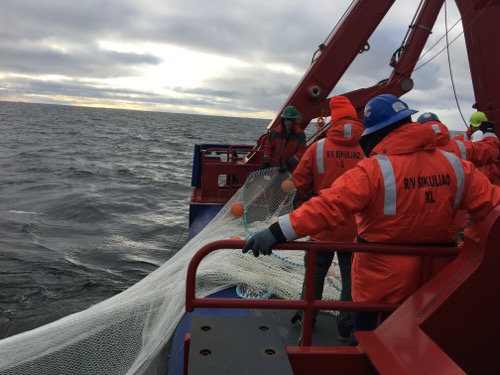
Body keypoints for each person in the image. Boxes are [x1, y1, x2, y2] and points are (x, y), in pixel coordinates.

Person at [242, 94, 500, 341]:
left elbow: (329, 205)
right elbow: (493, 207)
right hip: (438, 285)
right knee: (427, 345)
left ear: (375, 132)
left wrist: (276, 232)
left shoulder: (374, 169)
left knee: (369, 344)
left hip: (381, 289)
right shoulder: (456, 165)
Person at [290, 96, 363, 341]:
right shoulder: (363, 150)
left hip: (321, 223)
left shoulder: (318, 147)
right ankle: (345, 327)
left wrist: (310, 201)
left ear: (333, 119)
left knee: (315, 275)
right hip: (352, 228)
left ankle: (307, 320)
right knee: (350, 280)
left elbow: (299, 181)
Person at [416, 112, 498, 167]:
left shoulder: (411, 156)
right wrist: (490, 134)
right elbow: (488, 152)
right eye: (475, 126)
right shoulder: (460, 146)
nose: (477, 129)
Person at [262, 105, 307, 173]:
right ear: (283, 120)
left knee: (288, 184)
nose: (287, 123)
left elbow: (301, 150)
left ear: (294, 121)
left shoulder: (300, 135)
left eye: (290, 121)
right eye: (286, 120)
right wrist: (266, 162)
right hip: (274, 168)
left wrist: (289, 164)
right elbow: (268, 147)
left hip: (291, 170)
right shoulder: (274, 132)